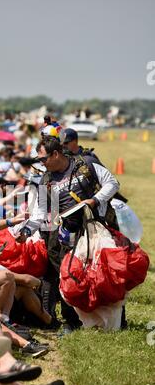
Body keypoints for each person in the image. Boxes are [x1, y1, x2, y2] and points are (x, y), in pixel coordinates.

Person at [21, 125, 120, 333]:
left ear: (56, 153)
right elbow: (39, 212)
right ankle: (72, 321)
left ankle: (113, 320)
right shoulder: (45, 180)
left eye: (43, 159)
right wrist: (27, 230)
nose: (42, 164)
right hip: (65, 235)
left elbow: (112, 183)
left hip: (95, 228)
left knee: (104, 273)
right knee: (68, 275)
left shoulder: (86, 164)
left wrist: (95, 200)